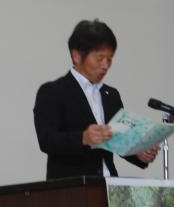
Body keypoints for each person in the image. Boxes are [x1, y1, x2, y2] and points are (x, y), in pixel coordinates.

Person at [33, 19, 160, 180]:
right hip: (72, 187)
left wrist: (139, 153)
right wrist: (83, 138)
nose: (105, 65)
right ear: (77, 55)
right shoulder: (53, 91)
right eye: (100, 58)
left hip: (110, 185)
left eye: (110, 59)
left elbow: (119, 141)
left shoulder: (111, 95)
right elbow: (47, 140)